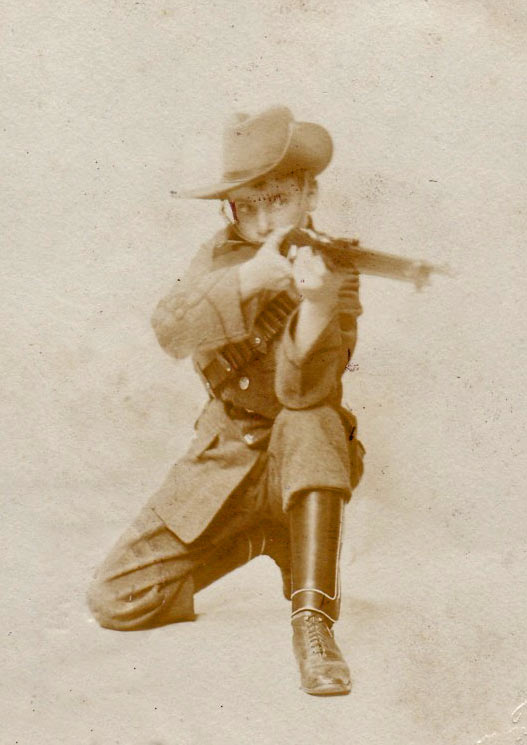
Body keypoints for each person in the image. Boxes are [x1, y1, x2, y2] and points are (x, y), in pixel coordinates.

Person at [87, 106, 365, 696]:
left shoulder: (335, 267)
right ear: (229, 207)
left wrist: (317, 304)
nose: (263, 221)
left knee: (311, 418)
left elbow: (304, 390)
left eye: (278, 199)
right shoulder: (217, 258)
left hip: (303, 458)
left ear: (310, 193)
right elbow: (170, 330)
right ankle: (265, 538)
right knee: (117, 599)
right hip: (226, 453)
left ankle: (313, 624)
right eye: (246, 204)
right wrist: (251, 279)